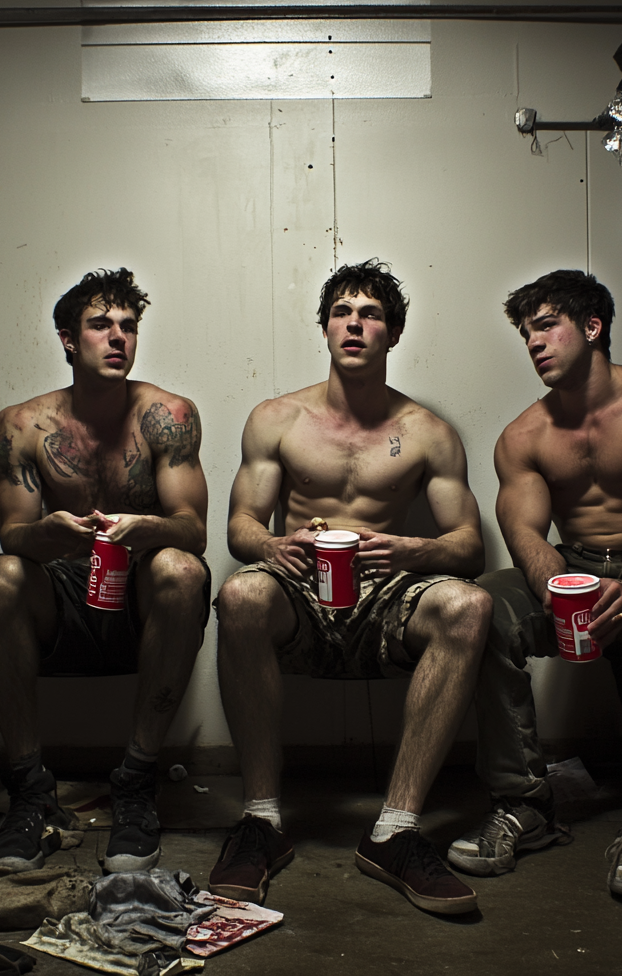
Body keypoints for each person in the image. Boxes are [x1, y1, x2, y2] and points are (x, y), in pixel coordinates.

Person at [210, 260, 492, 915]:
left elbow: (470, 547)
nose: (355, 324)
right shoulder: (277, 419)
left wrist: (410, 548)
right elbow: (241, 526)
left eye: (370, 315)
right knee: (241, 594)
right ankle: (261, 821)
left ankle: (395, 830)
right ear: (326, 327)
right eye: (343, 312)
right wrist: (274, 545)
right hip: (299, 595)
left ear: (392, 334)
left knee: (470, 606)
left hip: (385, 598)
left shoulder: (427, 432)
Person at [447, 269, 622, 899]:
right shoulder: (524, 436)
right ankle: (524, 805)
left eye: (547, 325)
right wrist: (557, 587)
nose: (534, 343)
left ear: (593, 327)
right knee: (481, 606)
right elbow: (523, 532)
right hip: (572, 566)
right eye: (526, 333)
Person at [0, 268, 210, 874]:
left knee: (183, 570)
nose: (117, 338)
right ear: (67, 340)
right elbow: (12, 535)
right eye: (100, 325)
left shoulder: (169, 416)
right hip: (61, 595)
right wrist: (45, 535)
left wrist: (146, 527)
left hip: (137, 594)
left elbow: (193, 529)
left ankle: (135, 782)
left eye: (128, 327)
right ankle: (30, 793)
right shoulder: (23, 425)